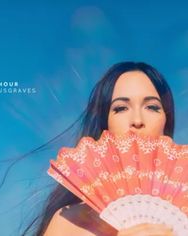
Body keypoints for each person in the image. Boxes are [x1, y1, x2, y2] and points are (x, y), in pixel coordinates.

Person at [24, 62, 176, 236]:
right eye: (120, 108)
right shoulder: (70, 222)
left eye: (152, 107)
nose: (137, 120)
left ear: (166, 121)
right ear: (105, 125)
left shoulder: (180, 212)